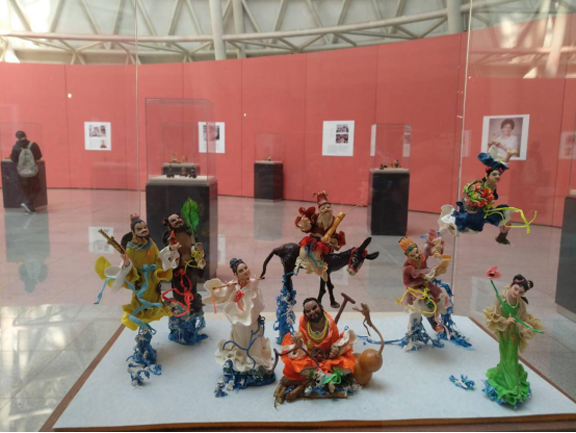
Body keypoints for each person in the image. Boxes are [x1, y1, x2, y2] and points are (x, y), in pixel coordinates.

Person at [94, 214, 179, 385]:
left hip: (153, 281)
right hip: (141, 284)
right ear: (133, 231)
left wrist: (168, 253)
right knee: (141, 311)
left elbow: (157, 258)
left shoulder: (151, 242)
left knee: (154, 304)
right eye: (139, 229)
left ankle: (146, 341)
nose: (144, 230)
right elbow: (130, 266)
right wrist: (126, 265)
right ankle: (143, 344)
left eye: (145, 227)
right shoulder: (131, 248)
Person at [205, 258, 275, 395]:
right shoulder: (235, 285)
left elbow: (259, 306)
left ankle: (254, 365)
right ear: (236, 274)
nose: (245, 272)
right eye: (241, 270)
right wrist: (229, 290)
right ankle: (240, 363)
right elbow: (225, 299)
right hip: (238, 323)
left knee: (253, 345)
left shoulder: (253, 285)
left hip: (251, 322)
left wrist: (253, 289)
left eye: (245, 268)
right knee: (240, 342)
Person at [439, 145, 531, 245]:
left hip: (483, 212)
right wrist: (508, 156)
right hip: (475, 213)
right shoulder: (482, 186)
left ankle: (501, 236)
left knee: (503, 217)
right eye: (494, 174)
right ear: (487, 176)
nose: (497, 176)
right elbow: (497, 170)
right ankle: (437, 234)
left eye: (498, 175)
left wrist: (508, 156)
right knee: (459, 224)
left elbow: (499, 170)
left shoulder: (491, 184)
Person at [275, 297, 357, 403]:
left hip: (327, 359)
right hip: (310, 359)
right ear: (305, 314)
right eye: (308, 311)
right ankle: (322, 378)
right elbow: (303, 347)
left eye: (314, 308)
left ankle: (316, 379)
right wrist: (298, 344)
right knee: (293, 364)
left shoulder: (330, 324)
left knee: (347, 366)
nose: (312, 312)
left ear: (320, 307)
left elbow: (335, 344)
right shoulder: (303, 323)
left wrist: (335, 350)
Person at [483, 274, 542, 407]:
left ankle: (512, 383)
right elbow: (496, 315)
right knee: (505, 355)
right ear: (511, 286)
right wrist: (506, 321)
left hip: (514, 334)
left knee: (512, 356)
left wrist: (524, 325)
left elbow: (523, 318)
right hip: (504, 332)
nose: (517, 293)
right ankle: (505, 379)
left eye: (521, 292)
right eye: (515, 289)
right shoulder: (501, 298)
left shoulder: (521, 304)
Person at [161, 212, 207, 345]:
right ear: (169, 225)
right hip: (178, 271)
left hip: (191, 269)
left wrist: (199, 252)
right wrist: (171, 248)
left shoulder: (190, 233)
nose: (178, 221)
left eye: (178, 218)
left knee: (192, 294)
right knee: (179, 297)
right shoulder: (170, 237)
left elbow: (196, 251)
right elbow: (165, 254)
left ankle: (192, 326)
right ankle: (181, 328)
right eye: (173, 220)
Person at [294, 191, 346, 281]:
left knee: (320, 254)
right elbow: (309, 227)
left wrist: (330, 240)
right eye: (323, 208)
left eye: (328, 207)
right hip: (313, 240)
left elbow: (333, 234)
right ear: (320, 211)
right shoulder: (315, 217)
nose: (326, 209)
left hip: (324, 243)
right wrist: (305, 224)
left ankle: (321, 270)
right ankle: (307, 264)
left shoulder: (333, 220)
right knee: (304, 251)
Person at [10, 131, 42, 214]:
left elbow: (14, 159)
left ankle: (29, 207)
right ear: (25, 135)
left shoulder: (16, 147)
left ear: (17, 137)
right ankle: (28, 204)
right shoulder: (33, 145)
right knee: (37, 189)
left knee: (26, 191)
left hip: (22, 173)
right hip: (32, 172)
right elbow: (38, 156)